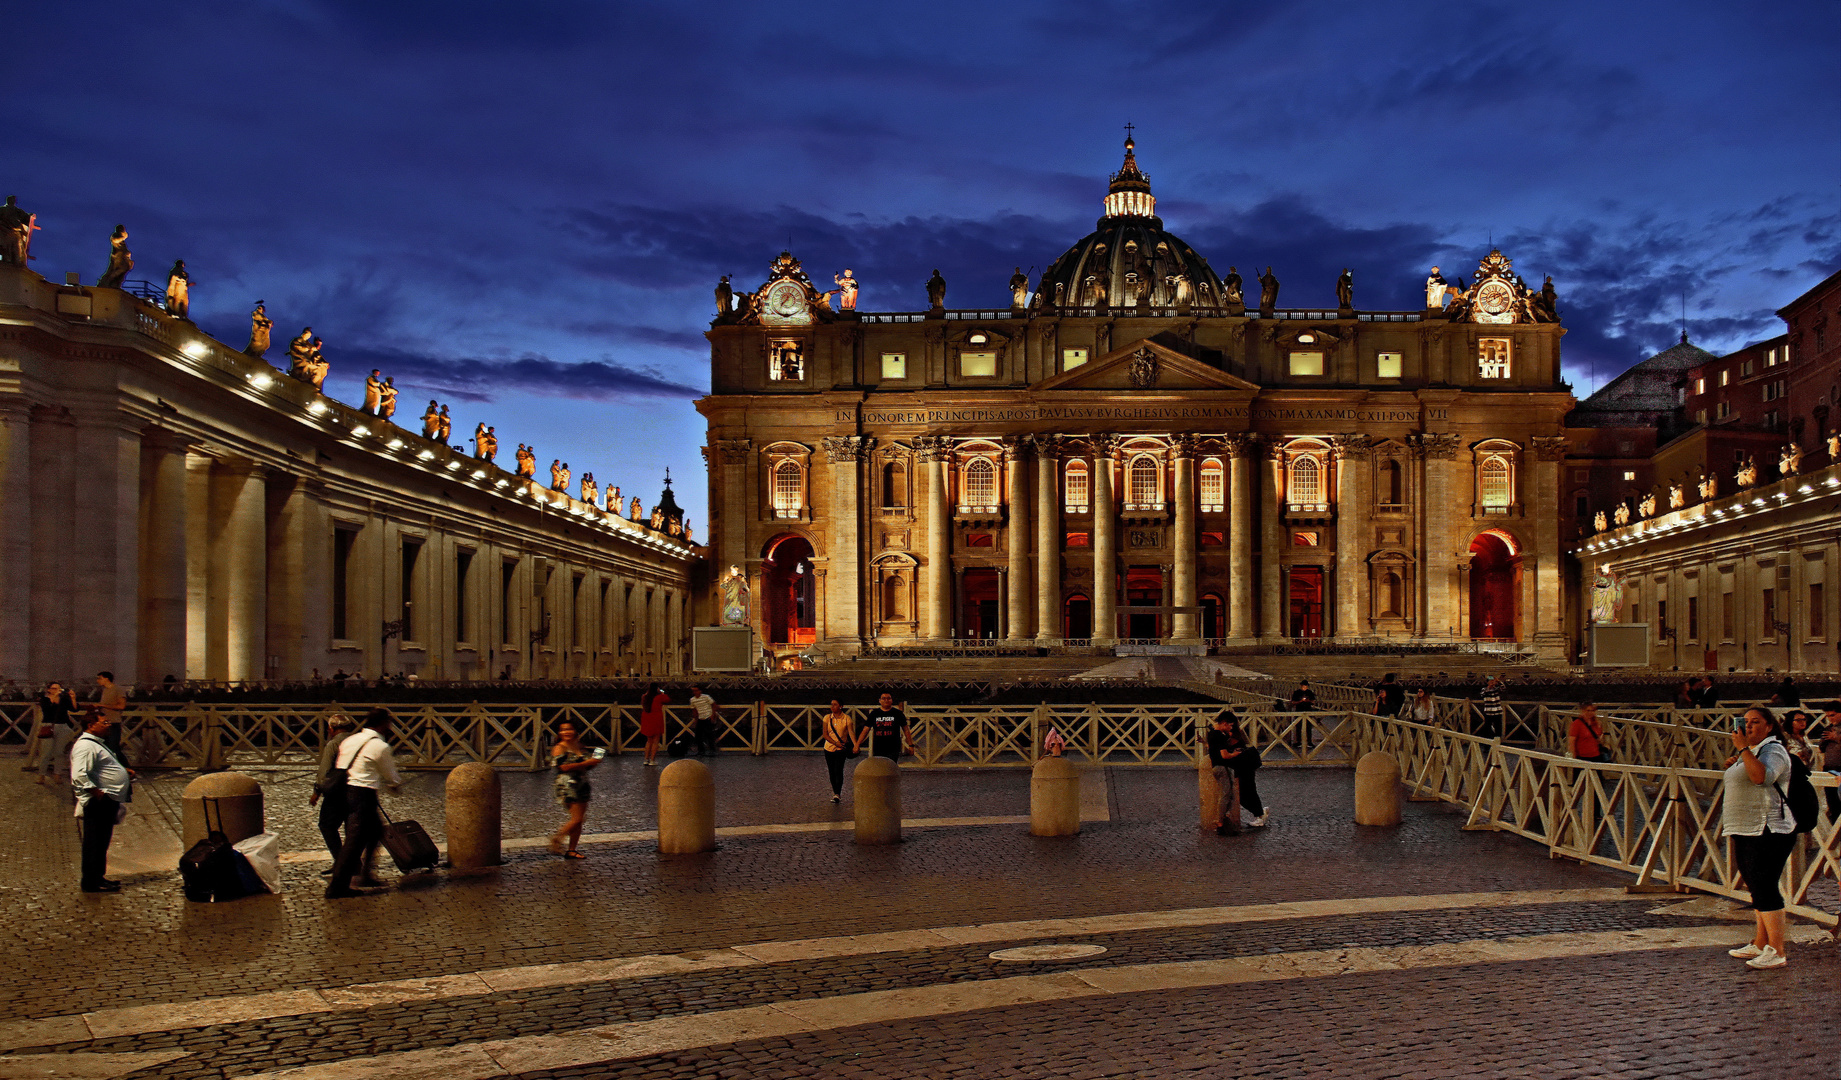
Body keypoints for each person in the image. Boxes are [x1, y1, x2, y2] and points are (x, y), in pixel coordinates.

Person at [1721, 707, 1797, 969]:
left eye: (1756, 723)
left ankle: (1777, 950)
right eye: (1746, 722)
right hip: (1745, 827)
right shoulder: (1753, 752)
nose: (1749, 727)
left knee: (1765, 886)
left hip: (1768, 828)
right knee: (1755, 886)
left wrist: (1742, 751)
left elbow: (1762, 778)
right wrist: (1738, 762)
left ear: (1769, 727)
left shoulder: (1773, 750)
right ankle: (1760, 941)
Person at [325, 709, 402, 899]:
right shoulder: (379, 746)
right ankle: (337, 887)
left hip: (346, 791)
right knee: (354, 841)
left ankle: (366, 875)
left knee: (375, 832)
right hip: (363, 795)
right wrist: (395, 785)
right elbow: (390, 775)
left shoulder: (350, 740)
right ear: (383, 724)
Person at [70, 707, 135, 892]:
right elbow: (79, 774)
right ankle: (91, 882)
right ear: (91, 725)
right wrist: (95, 791)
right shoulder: (85, 746)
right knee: (94, 842)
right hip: (99, 800)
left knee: (102, 841)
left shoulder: (97, 742)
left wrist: (123, 772)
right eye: (104, 722)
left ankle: (99, 877)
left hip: (107, 798)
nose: (109, 726)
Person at [308, 714, 358, 871]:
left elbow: (324, 773)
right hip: (357, 789)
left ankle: (341, 862)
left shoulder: (333, 744)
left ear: (331, 728)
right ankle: (354, 863)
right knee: (351, 829)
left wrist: (317, 792)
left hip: (337, 793)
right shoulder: (357, 741)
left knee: (327, 825)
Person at [548, 719, 597, 859]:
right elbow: (562, 767)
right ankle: (557, 838)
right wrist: (587, 762)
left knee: (579, 819)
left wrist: (594, 761)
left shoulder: (580, 746)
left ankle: (572, 850)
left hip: (582, 783)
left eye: (569, 729)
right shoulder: (560, 747)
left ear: (575, 731)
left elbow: (589, 765)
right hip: (568, 785)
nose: (566, 732)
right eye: (563, 730)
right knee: (576, 818)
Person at [1204, 712, 1243, 836]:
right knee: (1226, 795)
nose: (1231, 728)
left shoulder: (1212, 734)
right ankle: (1221, 822)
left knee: (1226, 794)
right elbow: (1224, 755)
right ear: (1224, 723)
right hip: (1222, 767)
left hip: (1216, 766)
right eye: (1230, 725)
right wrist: (1235, 754)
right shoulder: (1219, 735)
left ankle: (1222, 821)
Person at [34, 681, 77, 785]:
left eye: (58, 688)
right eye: (54, 688)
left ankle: (57, 774)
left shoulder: (64, 699)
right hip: (48, 725)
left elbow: (74, 709)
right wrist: (54, 697)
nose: (56, 690)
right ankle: (41, 775)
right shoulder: (44, 699)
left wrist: (73, 698)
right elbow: (47, 710)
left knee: (59, 752)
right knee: (46, 753)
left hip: (62, 726)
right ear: (48, 690)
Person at [820, 699, 861, 802]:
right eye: (831, 705)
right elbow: (825, 734)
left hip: (841, 748)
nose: (832, 707)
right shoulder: (827, 718)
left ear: (841, 706)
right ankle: (835, 791)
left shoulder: (847, 719)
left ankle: (837, 793)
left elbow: (851, 732)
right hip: (829, 747)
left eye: (835, 705)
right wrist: (834, 743)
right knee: (831, 771)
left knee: (838, 770)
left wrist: (856, 745)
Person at [865, 692, 913, 761]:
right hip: (878, 746)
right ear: (880, 701)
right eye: (884, 698)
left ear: (891, 700)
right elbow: (866, 729)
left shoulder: (898, 713)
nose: (886, 700)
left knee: (891, 767)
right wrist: (857, 744)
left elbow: (906, 729)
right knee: (880, 767)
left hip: (893, 747)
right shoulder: (874, 713)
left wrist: (910, 745)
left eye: (888, 698)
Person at [1817, 702, 1841, 822]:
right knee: (1832, 802)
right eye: (1828, 716)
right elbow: (1821, 748)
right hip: (1830, 768)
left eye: (1833, 715)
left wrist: (1837, 738)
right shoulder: (1828, 728)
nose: (1831, 719)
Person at [638, 683, 668, 766]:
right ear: (657, 689)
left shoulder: (644, 696)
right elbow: (667, 699)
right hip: (656, 718)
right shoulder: (659, 697)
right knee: (656, 741)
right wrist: (662, 692)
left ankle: (646, 759)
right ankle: (652, 760)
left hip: (646, 718)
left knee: (649, 741)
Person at [687, 685, 720, 758]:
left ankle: (712, 750)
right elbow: (694, 710)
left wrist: (712, 715)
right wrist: (695, 719)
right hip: (700, 718)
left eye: (696, 690)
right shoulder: (692, 700)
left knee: (709, 735)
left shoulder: (706, 697)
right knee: (698, 735)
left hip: (708, 716)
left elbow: (714, 705)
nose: (694, 692)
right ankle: (701, 750)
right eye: (693, 691)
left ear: (700, 691)